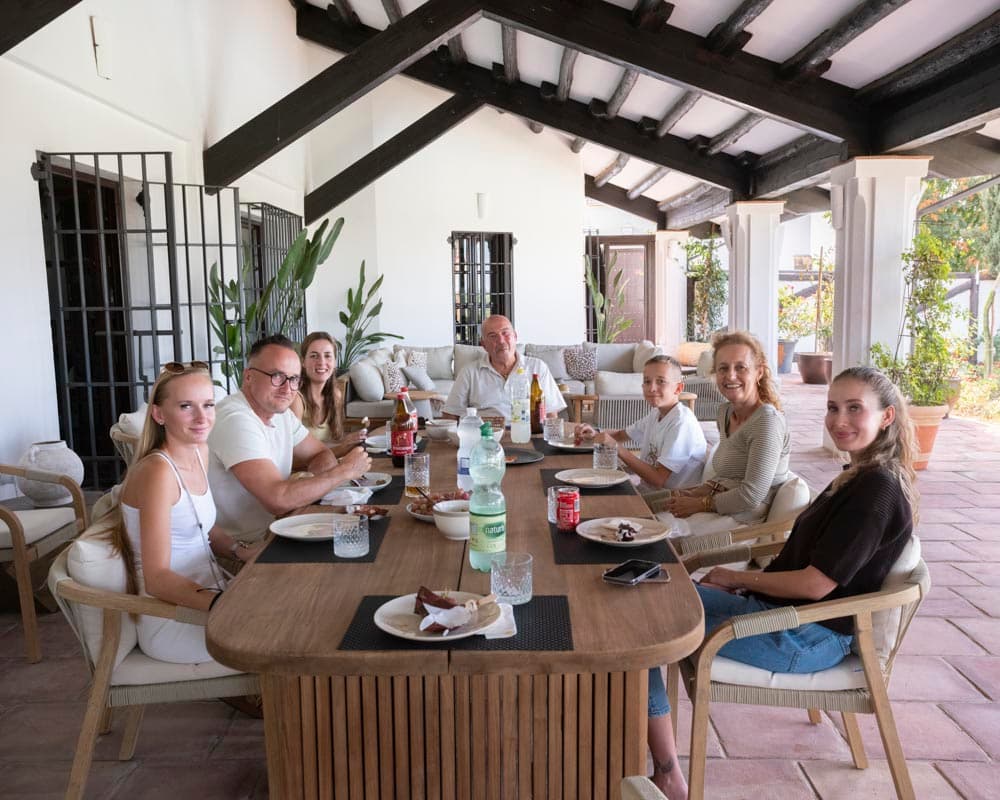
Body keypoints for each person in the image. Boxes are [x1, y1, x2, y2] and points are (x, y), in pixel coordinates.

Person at [644, 366, 918, 798]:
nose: (839, 419)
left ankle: (666, 772)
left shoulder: (875, 492)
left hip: (805, 636)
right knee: (647, 595)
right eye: (832, 407)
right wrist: (744, 586)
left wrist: (735, 577)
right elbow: (804, 559)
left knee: (641, 624)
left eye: (854, 409)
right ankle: (644, 742)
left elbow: (815, 585)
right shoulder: (859, 475)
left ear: (886, 417)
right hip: (785, 616)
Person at [99, 362, 257, 664]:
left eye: (208, 405)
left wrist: (241, 550)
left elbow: (200, 524)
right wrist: (225, 604)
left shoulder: (199, 451)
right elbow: (157, 579)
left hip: (209, 592)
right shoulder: (158, 471)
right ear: (159, 414)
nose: (202, 417)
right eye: (186, 406)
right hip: (172, 617)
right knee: (290, 635)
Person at [208, 334, 371, 542]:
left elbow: (321, 453)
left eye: (294, 379)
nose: (287, 388)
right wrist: (344, 471)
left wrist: (304, 488)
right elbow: (278, 499)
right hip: (247, 550)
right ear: (248, 376)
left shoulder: (280, 414)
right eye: (277, 376)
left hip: (283, 529)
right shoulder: (235, 419)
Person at [654, 331, 790, 536]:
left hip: (740, 525)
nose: (730, 376)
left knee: (654, 536)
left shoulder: (766, 422)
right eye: (723, 368)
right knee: (639, 520)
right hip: (719, 512)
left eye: (741, 367)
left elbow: (751, 496)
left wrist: (699, 504)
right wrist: (696, 492)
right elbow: (729, 476)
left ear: (759, 372)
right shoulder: (725, 412)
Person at [573, 355, 706, 490]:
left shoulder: (681, 423)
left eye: (661, 381)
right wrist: (594, 433)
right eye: (647, 381)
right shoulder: (657, 413)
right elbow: (621, 435)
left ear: (678, 388)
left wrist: (616, 448)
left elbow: (658, 480)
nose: (652, 388)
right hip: (645, 490)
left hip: (667, 500)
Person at [442, 314, 567, 421]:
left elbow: (551, 413)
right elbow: (450, 415)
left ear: (515, 337)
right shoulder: (469, 372)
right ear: (484, 345)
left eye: (505, 333)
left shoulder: (537, 367)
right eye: (492, 336)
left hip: (526, 434)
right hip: (484, 436)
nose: (501, 340)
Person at [290, 331, 368, 457]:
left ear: (335, 362)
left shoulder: (335, 395)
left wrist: (350, 440)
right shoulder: (296, 400)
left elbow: (333, 441)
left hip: (327, 462)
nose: (321, 362)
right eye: (314, 356)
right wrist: (342, 447)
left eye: (327, 356)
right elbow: (292, 454)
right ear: (303, 362)